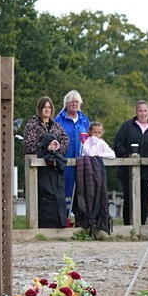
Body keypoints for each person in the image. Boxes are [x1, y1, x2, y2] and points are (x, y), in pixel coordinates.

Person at [22, 96, 69, 228]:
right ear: (40, 109)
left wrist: (56, 150)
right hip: (38, 170)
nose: (47, 109)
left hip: (53, 171)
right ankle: (35, 225)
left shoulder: (56, 126)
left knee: (55, 197)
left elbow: (65, 141)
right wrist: (46, 147)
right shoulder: (32, 125)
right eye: (44, 107)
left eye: (49, 107)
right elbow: (28, 145)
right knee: (38, 198)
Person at [112, 100, 148, 226]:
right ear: (136, 112)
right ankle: (128, 227)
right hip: (127, 171)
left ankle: (141, 227)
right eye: (140, 110)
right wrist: (127, 156)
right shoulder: (127, 126)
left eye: (145, 110)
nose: (143, 113)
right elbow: (118, 144)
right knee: (129, 199)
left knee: (145, 201)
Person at [56, 90, 90, 218]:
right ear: (66, 104)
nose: (74, 104)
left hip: (82, 162)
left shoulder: (84, 120)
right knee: (65, 191)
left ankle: (82, 219)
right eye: (72, 101)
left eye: (76, 101)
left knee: (82, 191)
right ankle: (63, 218)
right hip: (65, 162)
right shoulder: (59, 120)